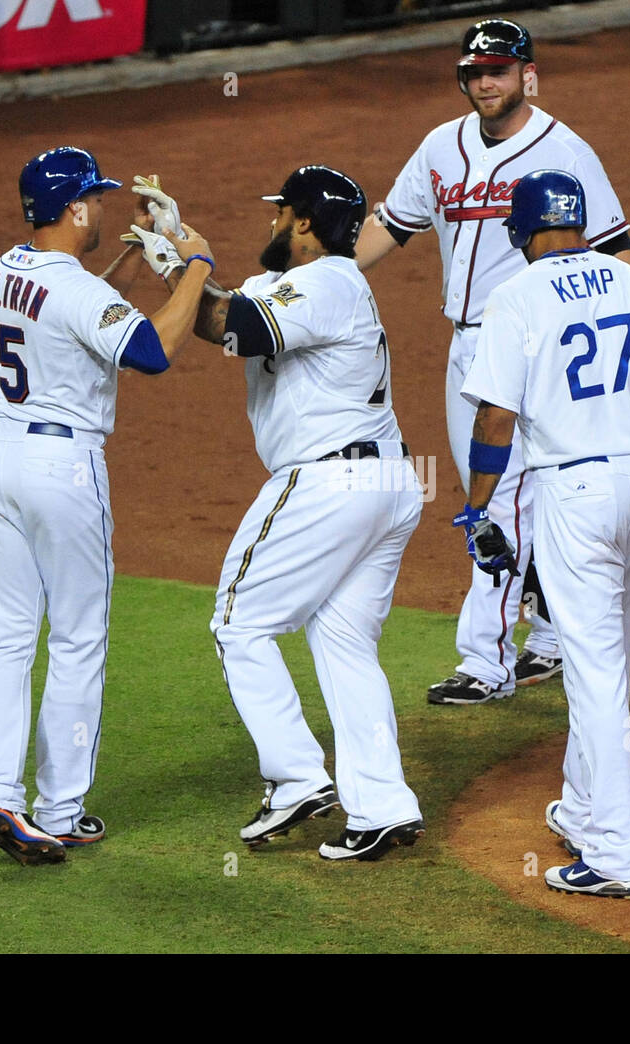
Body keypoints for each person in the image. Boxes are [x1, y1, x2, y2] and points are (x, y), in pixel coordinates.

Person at [356, 18, 630, 705]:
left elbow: (617, 248)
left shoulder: (566, 149)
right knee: (524, 498)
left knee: (498, 502)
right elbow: (390, 228)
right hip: (470, 346)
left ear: (527, 75)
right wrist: (317, 275)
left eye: (498, 70)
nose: (485, 82)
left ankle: (484, 661)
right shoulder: (440, 146)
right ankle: (547, 637)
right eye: (474, 72)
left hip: (538, 345)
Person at [147, 165, 426, 861]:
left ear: (303, 221)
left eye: (279, 213)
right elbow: (224, 316)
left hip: (330, 483)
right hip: (381, 483)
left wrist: (191, 265)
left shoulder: (330, 280)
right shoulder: (301, 287)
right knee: (343, 646)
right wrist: (176, 259)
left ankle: (297, 778)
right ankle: (382, 806)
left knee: (238, 623)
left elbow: (236, 324)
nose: (270, 223)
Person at [456, 170, 630, 898]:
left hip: (576, 498)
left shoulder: (513, 297)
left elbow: (494, 421)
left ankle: (611, 855)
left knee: (595, 674)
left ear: (522, 231)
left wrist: (478, 509)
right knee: (606, 664)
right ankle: (581, 807)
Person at [0, 147, 216, 866]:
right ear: (76, 209)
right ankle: (62, 811)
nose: (105, 208)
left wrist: (135, 255)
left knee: (8, 640)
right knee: (77, 638)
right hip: (59, 469)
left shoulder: (5, 269)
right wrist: (195, 261)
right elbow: (153, 350)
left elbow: (71, 311)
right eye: (98, 200)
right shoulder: (74, 291)